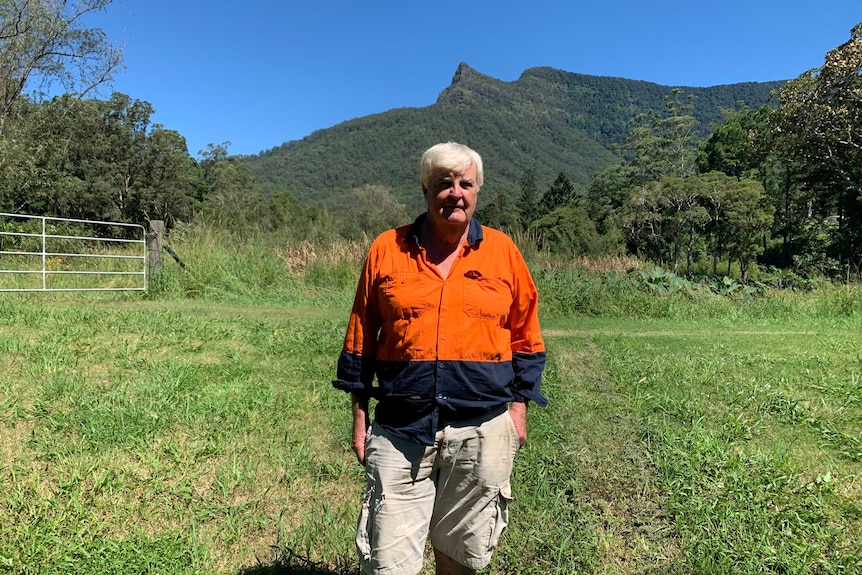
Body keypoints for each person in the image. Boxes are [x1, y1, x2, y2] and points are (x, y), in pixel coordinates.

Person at [333, 142, 547, 575]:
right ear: (426, 191)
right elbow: (360, 336)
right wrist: (359, 417)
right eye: (443, 183)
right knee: (389, 565)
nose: (456, 193)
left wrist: (518, 410)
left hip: (483, 430)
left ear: (478, 191)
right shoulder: (387, 249)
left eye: (465, 183)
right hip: (400, 431)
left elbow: (527, 336)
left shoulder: (503, 252)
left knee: (464, 560)